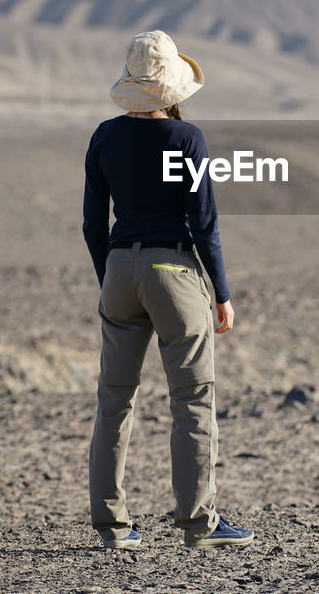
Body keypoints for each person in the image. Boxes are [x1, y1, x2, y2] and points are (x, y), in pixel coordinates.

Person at [83, 30, 253, 550]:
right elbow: (205, 225)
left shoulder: (104, 137)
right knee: (193, 399)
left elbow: (94, 222)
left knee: (114, 400)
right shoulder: (187, 140)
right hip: (175, 276)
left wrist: (112, 275)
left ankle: (113, 528)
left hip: (119, 270)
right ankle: (198, 523)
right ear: (172, 90)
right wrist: (221, 292)